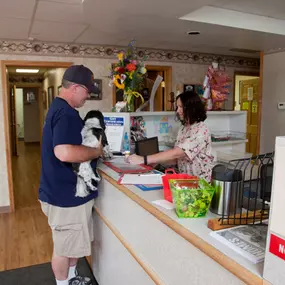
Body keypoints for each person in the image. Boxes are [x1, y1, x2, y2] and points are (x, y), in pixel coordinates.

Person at [39, 65, 103, 285]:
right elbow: (64, 152)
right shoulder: (65, 113)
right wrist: (96, 151)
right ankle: (63, 283)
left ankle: (73, 278)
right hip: (64, 197)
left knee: (72, 244)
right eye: (87, 90)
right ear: (75, 88)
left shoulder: (59, 109)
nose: (88, 95)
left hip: (67, 194)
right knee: (63, 248)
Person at [127, 91, 214, 182]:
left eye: (181, 107)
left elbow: (177, 153)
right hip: (186, 182)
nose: (178, 110)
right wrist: (155, 161)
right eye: (177, 107)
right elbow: (177, 159)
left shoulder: (201, 130)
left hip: (200, 184)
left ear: (191, 108)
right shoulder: (183, 128)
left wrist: (144, 159)